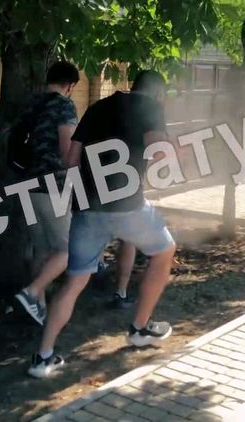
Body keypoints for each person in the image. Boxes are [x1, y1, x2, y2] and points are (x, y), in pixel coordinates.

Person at [28, 70, 176, 378]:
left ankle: (43, 358)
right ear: (159, 94)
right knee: (165, 251)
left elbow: (70, 159)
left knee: (73, 284)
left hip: (87, 208)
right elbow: (159, 153)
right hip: (128, 206)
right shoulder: (151, 107)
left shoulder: (97, 107)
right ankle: (139, 329)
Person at [13, 61, 81, 325]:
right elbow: (67, 150)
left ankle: (37, 309)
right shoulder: (64, 106)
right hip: (54, 186)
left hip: (26, 186)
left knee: (41, 249)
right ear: (70, 85)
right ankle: (31, 292)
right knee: (68, 249)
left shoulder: (32, 104)